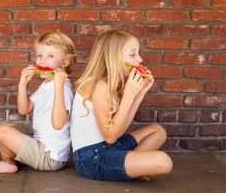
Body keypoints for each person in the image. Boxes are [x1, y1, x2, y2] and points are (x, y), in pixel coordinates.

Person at [70, 30, 173, 181]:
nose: (140, 59)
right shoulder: (100, 86)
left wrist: (139, 94)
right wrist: (129, 95)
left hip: (109, 146)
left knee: (158, 131)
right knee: (164, 162)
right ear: (113, 58)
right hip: (92, 158)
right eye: (132, 55)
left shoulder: (110, 83)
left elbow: (118, 131)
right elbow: (111, 137)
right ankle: (134, 167)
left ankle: (134, 167)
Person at [0, 32, 76, 173]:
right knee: (7, 131)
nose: (42, 61)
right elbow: (24, 109)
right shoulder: (45, 85)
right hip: (40, 146)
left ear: (65, 62)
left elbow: (58, 124)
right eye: (39, 55)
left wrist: (59, 87)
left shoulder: (64, 88)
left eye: (50, 56)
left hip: (51, 156)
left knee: (3, 131)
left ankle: (9, 163)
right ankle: (8, 163)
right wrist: (22, 84)